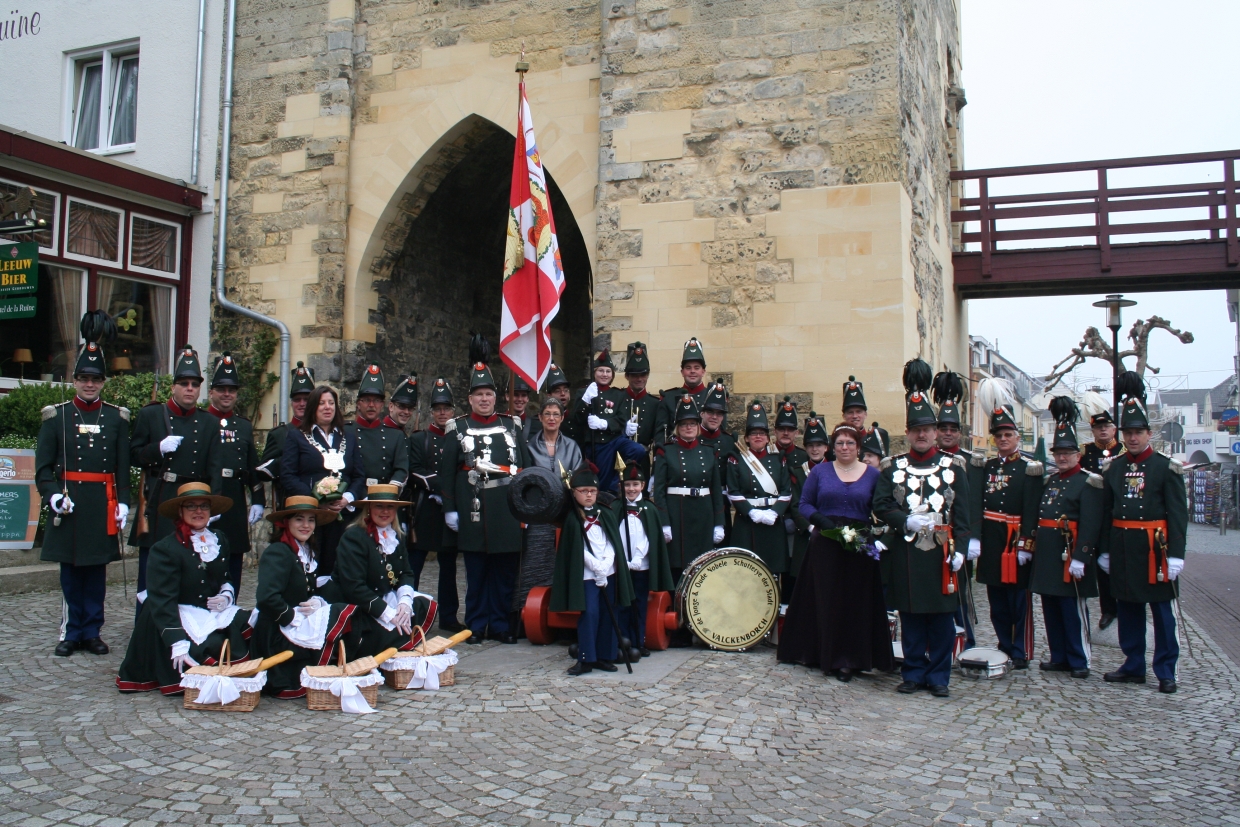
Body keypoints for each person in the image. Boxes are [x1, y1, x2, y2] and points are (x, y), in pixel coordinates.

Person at [871, 359, 971, 698]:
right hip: (907, 551)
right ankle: (913, 671)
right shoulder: (892, 467)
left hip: (942, 550)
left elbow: (963, 514)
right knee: (911, 615)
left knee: (942, 619)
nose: (923, 434)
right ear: (909, 432)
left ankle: (939, 675)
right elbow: (881, 506)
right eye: (916, 430)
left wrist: (963, 549)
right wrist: (904, 520)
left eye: (928, 429)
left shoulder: (954, 467)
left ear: (935, 430)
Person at [37, 334, 131, 657]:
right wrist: (52, 498)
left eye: (95, 379)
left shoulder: (116, 418)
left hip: (101, 503)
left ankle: (92, 631)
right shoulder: (57, 416)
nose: (89, 384)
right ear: (74, 380)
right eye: (84, 378)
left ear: (103, 382)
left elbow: (122, 467)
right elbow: (42, 469)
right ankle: (71, 630)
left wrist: (125, 503)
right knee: (70, 573)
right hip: (70, 502)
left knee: (96, 573)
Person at [778, 422, 892, 681]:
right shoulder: (821, 472)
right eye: (839, 443)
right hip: (826, 543)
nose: (844, 447)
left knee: (854, 602)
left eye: (850, 443)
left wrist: (883, 535)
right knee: (825, 597)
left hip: (858, 545)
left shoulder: (873, 475)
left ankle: (848, 658)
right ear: (833, 446)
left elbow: (883, 507)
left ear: (858, 447)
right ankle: (820, 653)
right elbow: (804, 504)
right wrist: (822, 521)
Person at [116, 482, 251, 695]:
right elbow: (162, 599)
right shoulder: (165, 549)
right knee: (214, 644)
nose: (199, 511)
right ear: (180, 511)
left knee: (251, 628)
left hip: (212, 613)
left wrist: (226, 595)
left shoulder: (220, 539)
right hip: (177, 614)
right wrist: (176, 640)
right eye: (191, 506)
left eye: (204, 506)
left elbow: (225, 576)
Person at [438, 340, 533, 643]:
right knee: (476, 574)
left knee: (505, 575)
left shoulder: (513, 426)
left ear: (497, 398)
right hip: (473, 508)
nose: (484, 399)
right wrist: (451, 509)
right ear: (470, 398)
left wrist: (527, 508)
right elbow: (447, 472)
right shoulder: (458, 428)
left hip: (506, 510)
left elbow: (526, 469)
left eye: (489, 394)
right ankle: (476, 626)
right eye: (479, 394)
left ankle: (502, 626)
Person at [1100, 372, 1188, 694]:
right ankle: (1133, 664)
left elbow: (1178, 515)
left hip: (1156, 549)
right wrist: (1105, 549)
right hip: (1124, 547)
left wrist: (1177, 554)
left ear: (1149, 433)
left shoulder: (1166, 467)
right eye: (1128, 433)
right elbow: (1108, 512)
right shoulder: (1115, 467)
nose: (1133, 438)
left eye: (1138, 432)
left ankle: (1166, 669)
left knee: (1162, 612)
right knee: (1128, 608)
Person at [130, 346, 221, 601]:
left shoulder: (209, 422)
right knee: (153, 570)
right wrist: (157, 449)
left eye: (194, 383)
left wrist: (214, 504)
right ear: (173, 387)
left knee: (190, 568)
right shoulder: (151, 415)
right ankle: (146, 628)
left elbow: (214, 466)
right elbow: (133, 454)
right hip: (161, 499)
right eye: (184, 383)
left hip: (193, 501)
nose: (189, 388)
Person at [252, 496, 357, 698]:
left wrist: (317, 601)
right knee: (337, 613)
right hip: (276, 632)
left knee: (340, 607)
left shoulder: (306, 551)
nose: (306, 525)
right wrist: (293, 617)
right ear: (286, 522)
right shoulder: (278, 552)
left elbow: (309, 589)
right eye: (299, 519)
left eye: (311, 520)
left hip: (294, 627)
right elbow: (266, 598)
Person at [973, 377, 1043, 670]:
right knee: (997, 602)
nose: (1002, 439)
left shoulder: (1030, 469)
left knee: (1018, 603)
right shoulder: (986, 467)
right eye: (998, 435)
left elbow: (1032, 510)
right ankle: (1003, 643)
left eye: (1008, 434)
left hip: (1015, 544)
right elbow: (978, 505)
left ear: (1017, 437)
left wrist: (1027, 543)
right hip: (992, 542)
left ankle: (1020, 649)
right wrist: (976, 538)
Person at [1031, 398, 1103, 680]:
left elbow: (1091, 523)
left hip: (1071, 556)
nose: (1062, 457)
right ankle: (1059, 655)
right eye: (1058, 452)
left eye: (1067, 452)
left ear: (1078, 453)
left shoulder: (1088, 481)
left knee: (1072, 610)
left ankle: (1079, 658)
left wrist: (1082, 556)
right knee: (1050, 608)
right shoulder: (1051, 481)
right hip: (1049, 556)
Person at [333, 484, 437, 655]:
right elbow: (353, 587)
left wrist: (404, 603)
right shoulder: (354, 537)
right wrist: (388, 613)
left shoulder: (397, 535)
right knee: (386, 628)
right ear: (368, 508)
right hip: (355, 604)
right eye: (379, 506)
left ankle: (396, 644)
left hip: (381, 596)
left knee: (421, 606)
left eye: (390, 507)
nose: (385, 512)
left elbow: (406, 573)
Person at [551, 468, 635, 675]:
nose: (589, 495)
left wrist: (606, 565)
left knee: (609, 613)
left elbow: (612, 542)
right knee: (590, 614)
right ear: (574, 493)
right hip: (587, 576)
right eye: (583, 491)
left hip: (609, 573)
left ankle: (605, 656)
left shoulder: (605, 513)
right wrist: (595, 567)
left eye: (592, 491)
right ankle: (587, 658)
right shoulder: (573, 519)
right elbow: (577, 550)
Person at [280, 385, 366, 575]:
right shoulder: (297, 436)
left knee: (341, 564)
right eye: (321, 403)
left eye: (331, 403)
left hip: (342, 515)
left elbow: (359, 475)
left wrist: (347, 498)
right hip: (312, 516)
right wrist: (315, 500)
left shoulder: (348, 437)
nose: (327, 407)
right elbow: (287, 474)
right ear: (313, 407)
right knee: (315, 564)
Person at [519, 397, 586, 616]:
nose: (551, 418)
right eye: (547, 414)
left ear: (562, 418)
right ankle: (527, 613)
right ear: (540, 418)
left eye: (556, 414)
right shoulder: (529, 446)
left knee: (563, 563)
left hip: (565, 515)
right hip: (538, 514)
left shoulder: (572, 446)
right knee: (533, 563)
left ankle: (562, 612)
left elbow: (576, 479)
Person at [407, 377, 463, 632]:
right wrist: (442, 486)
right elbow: (416, 471)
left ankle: (449, 616)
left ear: (453, 411)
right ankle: (411, 615)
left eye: (447, 408)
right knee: (414, 568)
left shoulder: (459, 437)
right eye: (439, 409)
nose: (443, 413)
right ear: (432, 412)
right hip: (426, 510)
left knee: (449, 568)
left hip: (448, 511)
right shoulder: (420, 439)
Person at [206, 353, 266, 590]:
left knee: (233, 560)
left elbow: (253, 466)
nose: (227, 394)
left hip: (235, 500)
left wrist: (259, 499)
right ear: (211, 392)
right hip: (208, 497)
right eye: (221, 389)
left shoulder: (243, 425)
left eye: (231, 389)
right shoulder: (202, 421)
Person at [652, 395, 725, 582]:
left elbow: (716, 490)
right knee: (678, 566)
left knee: (703, 566)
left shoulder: (709, 451)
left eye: (693, 423)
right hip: (677, 514)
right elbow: (659, 491)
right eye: (684, 424)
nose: (689, 427)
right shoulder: (665, 451)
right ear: (677, 427)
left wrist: (719, 523)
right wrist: (664, 522)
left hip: (703, 514)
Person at [932, 370, 980, 649]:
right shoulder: (930, 460)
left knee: (961, 593)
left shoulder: (971, 463)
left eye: (953, 429)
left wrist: (974, 537)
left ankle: (966, 642)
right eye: (943, 429)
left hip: (960, 537)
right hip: (933, 536)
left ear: (959, 433)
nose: (948, 433)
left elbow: (974, 503)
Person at [612, 464, 674, 657]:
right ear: (621, 486)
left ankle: (639, 640)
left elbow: (651, 537)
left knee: (639, 604)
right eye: (627, 485)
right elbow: (612, 536)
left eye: (635, 484)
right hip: (620, 566)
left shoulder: (649, 509)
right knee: (621, 604)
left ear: (643, 485)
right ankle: (622, 640)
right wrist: (622, 560)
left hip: (641, 565)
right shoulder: (615, 507)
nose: (631, 489)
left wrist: (638, 557)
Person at [726, 401, 793, 580]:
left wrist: (775, 513)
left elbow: (786, 490)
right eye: (753, 433)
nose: (758, 437)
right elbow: (732, 490)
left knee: (773, 571)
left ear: (768, 438)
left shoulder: (778, 459)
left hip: (773, 521)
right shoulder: (736, 459)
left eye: (762, 433)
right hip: (747, 522)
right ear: (746, 438)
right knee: (745, 572)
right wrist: (751, 512)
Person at [572, 349, 646, 493]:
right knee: (602, 482)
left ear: (612, 375)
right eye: (601, 371)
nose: (604, 374)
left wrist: (604, 424)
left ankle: (617, 482)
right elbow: (577, 419)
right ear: (594, 373)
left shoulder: (617, 394)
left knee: (637, 450)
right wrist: (585, 401)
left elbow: (621, 418)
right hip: (597, 444)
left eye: (608, 371)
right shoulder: (584, 392)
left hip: (614, 439)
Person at [1081, 394, 1121, 631]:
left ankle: (1117, 607)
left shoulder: (1124, 450)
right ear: (1093, 430)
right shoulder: (1085, 452)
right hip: (1093, 514)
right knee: (1094, 564)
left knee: (1114, 566)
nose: (1102, 431)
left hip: (1116, 514)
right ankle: (1103, 609)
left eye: (1106, 426)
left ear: (1114, 429)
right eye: (1098, 427)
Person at [257, 361, 316, 505]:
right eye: (297, 400)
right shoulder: (279, 434)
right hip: (289, 500)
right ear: (291, 402)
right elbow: (263, 471)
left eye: (306, 399)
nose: (302, 404)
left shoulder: (324, 432)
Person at [347, 364, 410, 491]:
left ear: (382, 405)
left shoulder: (395, 435)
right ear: (359, 404)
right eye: (366, 400)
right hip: (352, 498)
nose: (371, 405)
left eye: (376, 400)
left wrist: (390, 491)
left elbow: (401, 469)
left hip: (384, 496)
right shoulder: (346, 431)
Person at [788, 411, 829, 591]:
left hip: (830, 532)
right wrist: (810, 527)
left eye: (819, 445)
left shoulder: (835, 470)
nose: (815, 449)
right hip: (806, 534)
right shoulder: (798, 472)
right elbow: (796, 505)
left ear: (826, 447)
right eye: (810, 445)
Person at [653, 337, 711, 445]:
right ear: (682, 372)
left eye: (696, 367)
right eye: (688, 368)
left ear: (703, 371)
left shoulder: (712, 396)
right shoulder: (669, 398)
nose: (692, 371)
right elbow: (661, 433)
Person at [833, 376, 889, 461]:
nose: (855, 416)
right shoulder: (835, 442)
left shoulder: (874, 440)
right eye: (850, 412)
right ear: (843, 416)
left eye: (859, 412)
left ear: (865, 414)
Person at [619, 342, 659, 460]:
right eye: (635, 375)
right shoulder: (617, 398)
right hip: (619, 458)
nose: (639, 379)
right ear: (627, 376)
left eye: (643, 374)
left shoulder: (655, 403)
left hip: (643, 460)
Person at [541, 363, 575, 441]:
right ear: (548, 396)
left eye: (566, 390)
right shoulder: (540, 422)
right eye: (557, 391)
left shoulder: (576, 420)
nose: (563, 394)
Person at [509, 375, 536, 443]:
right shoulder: (499, 422)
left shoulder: (536, 425)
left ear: (527, 399)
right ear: (507, 396)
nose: (520, 399)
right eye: (516, 395)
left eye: (523, 395)